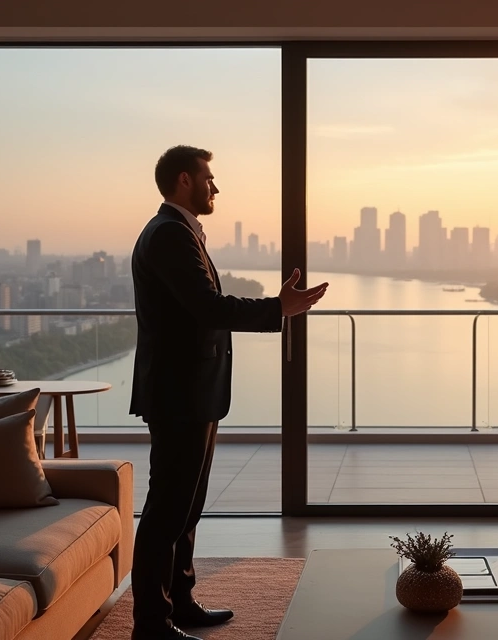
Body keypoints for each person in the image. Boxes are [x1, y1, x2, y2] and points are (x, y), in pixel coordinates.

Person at [129, 145, 328, 640]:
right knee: (168, 510)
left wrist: (277, 308)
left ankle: (181, 601)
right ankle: (151, 624)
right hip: (180, 395)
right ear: (183, 182)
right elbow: (208, 308)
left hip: (193, 392)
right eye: (208, 178)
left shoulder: (179, 232)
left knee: (187, 506)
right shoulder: (170, 235)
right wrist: (277, 308)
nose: (215, 188)